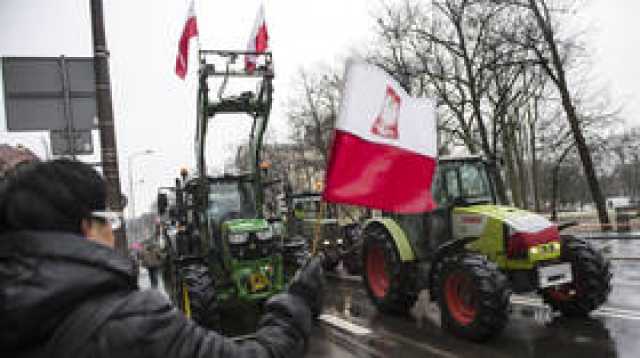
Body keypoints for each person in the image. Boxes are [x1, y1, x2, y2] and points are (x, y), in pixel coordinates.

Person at [0, 159, 325, 357]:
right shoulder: (133, 324)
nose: (114, 233)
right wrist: (295, 304)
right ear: (87, 225)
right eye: (110, 220)